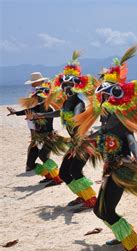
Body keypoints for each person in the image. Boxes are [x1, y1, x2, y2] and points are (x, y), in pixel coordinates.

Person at [76, 45, 137, 251]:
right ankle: (121, 233)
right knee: (100, 209)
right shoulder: (105, 118)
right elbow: (103, 137)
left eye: (102, 97)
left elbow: (131, 140)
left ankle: (133, 247)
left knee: (105, 211)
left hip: (122, 169)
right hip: (110, 169)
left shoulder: (120, 117)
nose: (100, 101)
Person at [29, 51, 97, 209]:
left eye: (69, 85)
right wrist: (40, 114)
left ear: (77, 86)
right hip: (75, 144)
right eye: (64, 85)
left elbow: (77, 115)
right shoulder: (67, 102)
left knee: (76, 172)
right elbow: (60, 112)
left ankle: (91, 200)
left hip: (84, 144)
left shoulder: (78, 103)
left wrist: (75, 119)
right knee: (64, 174)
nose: (66, 87)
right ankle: (83, 196)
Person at [7, 77, 65, 184]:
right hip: (38, 138)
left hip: (48, 137)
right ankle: (49, 175)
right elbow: (27, 111)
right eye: (36, 96)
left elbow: (46, 117)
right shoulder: (37, 107)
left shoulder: (49, 109)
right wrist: (15, 113)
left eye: (39, 96)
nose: (37, 98)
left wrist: (34, 117)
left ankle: (57, 177)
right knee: (31, 163)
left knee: (43, 156)